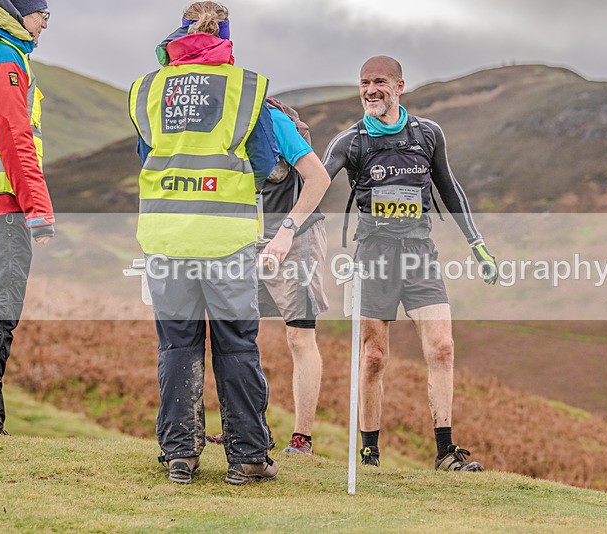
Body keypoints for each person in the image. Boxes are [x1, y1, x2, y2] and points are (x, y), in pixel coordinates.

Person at [128, 2, 328, 485]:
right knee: (236, 344)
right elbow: (263, 163)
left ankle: (180, 454)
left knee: (177, 345)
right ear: (226, 39)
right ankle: (248, 457)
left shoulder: (149, 88)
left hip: (165, 235)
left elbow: (145, 154)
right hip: (226, 237)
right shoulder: (246, 89)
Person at [322, 55, 499, 471]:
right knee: (374, 357)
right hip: (373, 256)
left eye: (379, 82)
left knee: (442, 347)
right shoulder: (350, 142)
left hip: (420, 253)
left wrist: (477, 244)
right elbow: (315, 181)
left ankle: (445, 452)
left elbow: (450, 188)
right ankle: (369, 454)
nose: (370, 90)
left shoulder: (427, 134)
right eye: (364, 83)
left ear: (399, 86)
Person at [0, 0, 54, 434]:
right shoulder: (1, 52)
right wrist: (37, 208)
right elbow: (13, 132)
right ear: (17, 12)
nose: (45, 23)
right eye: (42, 13)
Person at [259, 99, 329, 456]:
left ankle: (302, 439)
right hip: (249, 236)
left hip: (297, 234)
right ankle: (249, 428)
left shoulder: (273, 120)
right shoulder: (220, 119)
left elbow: (319, 178)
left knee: (299, 335)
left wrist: (286, 232)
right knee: (238, 335)